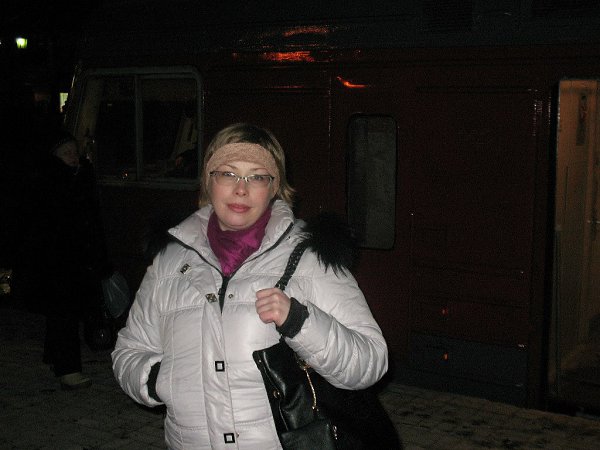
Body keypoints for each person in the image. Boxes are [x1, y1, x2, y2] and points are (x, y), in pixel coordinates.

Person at [112, 123, 390, 449]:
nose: (241, 189)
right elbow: (129, 351)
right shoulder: (169, 261)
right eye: (228, 173)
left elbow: (370, 362)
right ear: (209, 181)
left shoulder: (310, 257)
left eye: (257, 177)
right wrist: (157, 379)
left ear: (274, 187)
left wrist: (301, 322)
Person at [11, 129, 110, 389]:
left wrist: (99, 259)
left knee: (63, 313)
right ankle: (68, 369)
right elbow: (39, 226)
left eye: (75, 152)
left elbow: (93, 222)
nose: (73, 157)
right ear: (55, 156)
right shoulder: (49, 182)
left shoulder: (80, 178)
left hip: (77, 260)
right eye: (67, 153)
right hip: (56, 262)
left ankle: (55, 358)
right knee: (64, 314)